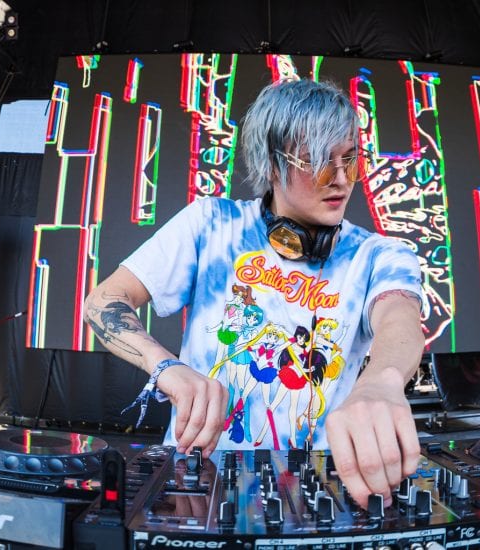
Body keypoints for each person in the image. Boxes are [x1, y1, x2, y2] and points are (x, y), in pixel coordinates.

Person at [83, 79, 425, 509]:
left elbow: (399, 319)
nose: (341, 179)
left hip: (314, 497)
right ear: (272, 164)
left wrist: (382, 382)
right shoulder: (210, 223)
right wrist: (166, 367)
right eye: (319, 161)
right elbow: (103, 302)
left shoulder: (380, 255)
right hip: (199, 488)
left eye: (350, 159)